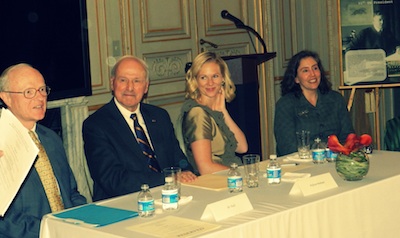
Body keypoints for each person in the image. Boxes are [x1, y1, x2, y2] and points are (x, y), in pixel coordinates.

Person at [83, 55, 197, 201]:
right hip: (123, 205)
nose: (129, 88)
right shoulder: (96, 125)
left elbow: (179, 160)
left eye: (136, 81)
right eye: (123, 80)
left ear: (146, 86)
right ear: (112, 83)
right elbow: (113, 180)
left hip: (170, 198)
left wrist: (186, 172)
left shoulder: (159, 116)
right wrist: (168, 179)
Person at [0, 63, 86, 238]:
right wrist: (51, 232)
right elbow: (5, 221)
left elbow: (71, 193)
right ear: (6, 98)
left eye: (42, 90)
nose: (39, 98)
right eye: (29, 92)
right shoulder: (2, 145)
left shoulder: (50, 138)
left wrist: (83, 221)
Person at [274, 50, 355, 157]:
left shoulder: (336, 99)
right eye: (305, 71)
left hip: (335, 160)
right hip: (301, 165)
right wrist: (322, 150)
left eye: (315, 68)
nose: (312, 74)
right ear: (296, 78)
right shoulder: (285, 105)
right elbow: (287, 147)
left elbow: (348, 136)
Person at [180, 52, 248, 175]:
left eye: (215, 76)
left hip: (229, 176)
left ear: (223, 78)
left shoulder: (215, 109)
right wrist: (242, 174)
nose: (210, 83)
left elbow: (242, 147)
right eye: (203, 77)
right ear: (195, 80)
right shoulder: (197, 113)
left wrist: (223, 111)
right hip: (215, 182)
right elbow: (205, 168)